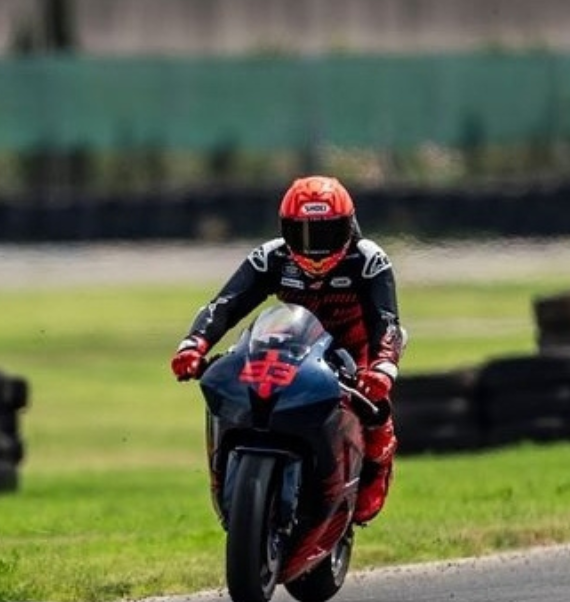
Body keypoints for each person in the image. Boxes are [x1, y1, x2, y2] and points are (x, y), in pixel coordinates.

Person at [170, 175, 405, 525]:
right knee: (232, 381)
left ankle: (371, 476)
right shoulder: (271, 257)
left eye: (326, 234)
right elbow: (225, 304)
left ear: (349, 226)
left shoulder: (368, 260)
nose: (314, 248)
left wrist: (383, 366)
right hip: (292, 346)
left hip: (352, 355)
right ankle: (228, 472)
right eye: (303, 234)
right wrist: (194, 344)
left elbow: (387, 321)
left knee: (376, 410)